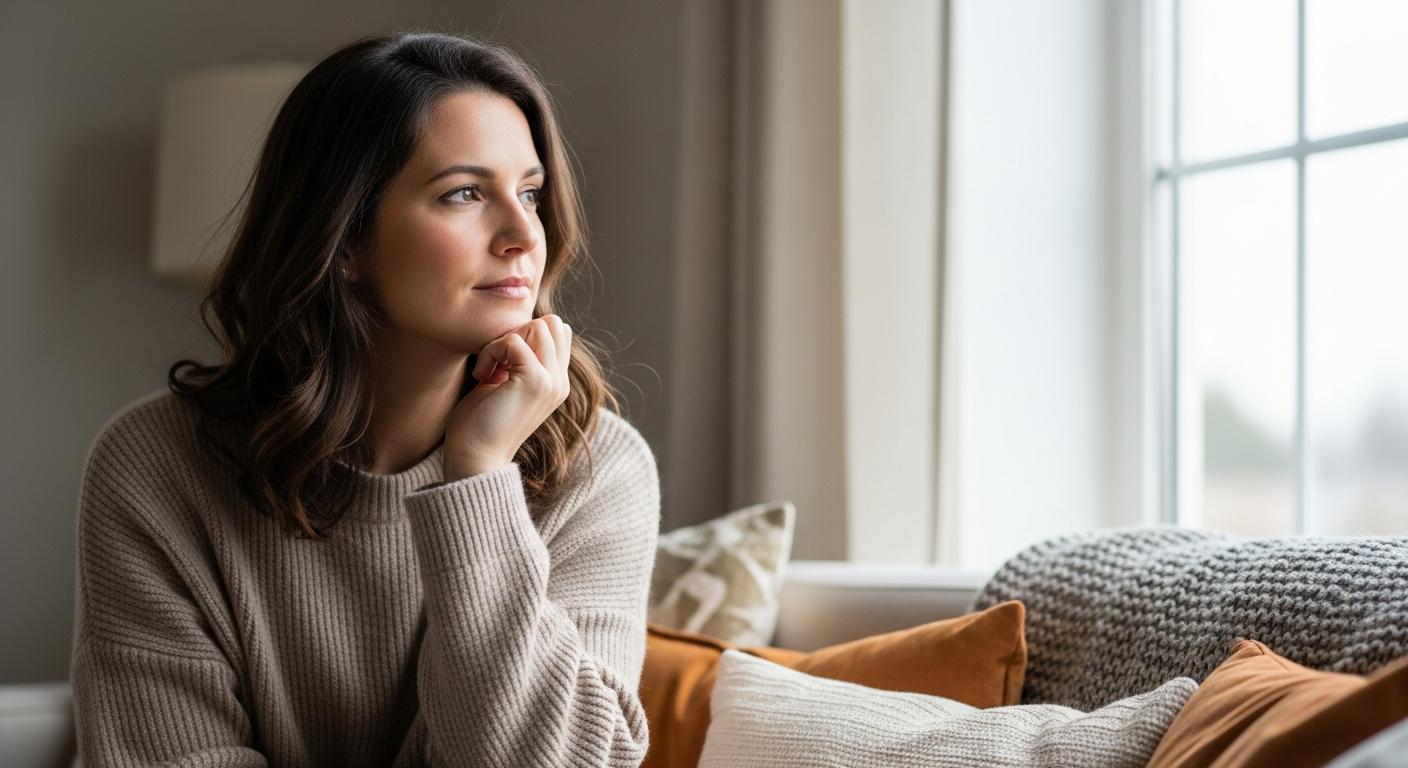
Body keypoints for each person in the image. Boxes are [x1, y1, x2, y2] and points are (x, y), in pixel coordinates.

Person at [69, 30, 660, 768]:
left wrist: (479, 476)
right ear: (345, 238)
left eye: (531, 193)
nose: (522, 235)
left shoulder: (598, 469)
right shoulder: (156, 467)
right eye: (465, 193)